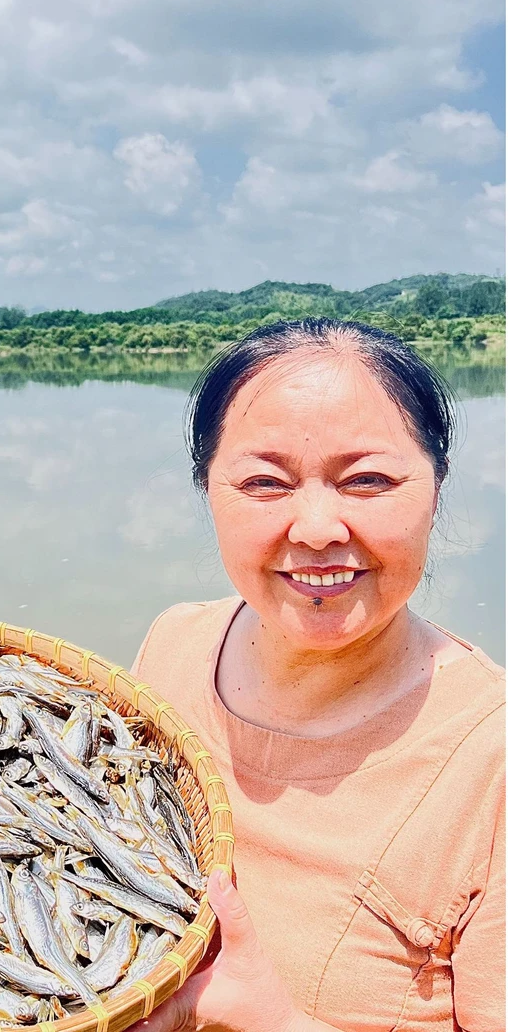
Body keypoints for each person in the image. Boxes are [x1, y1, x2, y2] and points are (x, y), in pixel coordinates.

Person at [129, 319, 504, 1032]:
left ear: (437, 483)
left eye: (368, 480)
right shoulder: (172, 645)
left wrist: (272, 1019)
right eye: (264, 483)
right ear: (209, 488)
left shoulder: (489, 760)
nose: (317, 528)